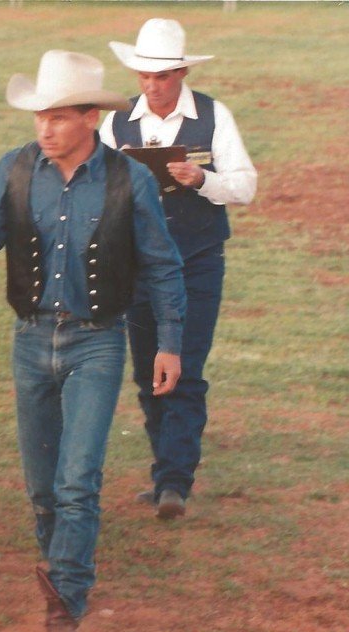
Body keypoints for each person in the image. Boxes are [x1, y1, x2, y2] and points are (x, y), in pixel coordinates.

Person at [0, 50, 186, 632]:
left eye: (59, 116)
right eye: (40, 115)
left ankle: (65, 606)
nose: (45, 127)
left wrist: (170, 341)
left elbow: (162, 264)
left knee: (76, 482)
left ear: (90, 118)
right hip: (31, 339)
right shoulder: (17, 169)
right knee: (44, 488)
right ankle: (61, 567)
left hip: (98, 341)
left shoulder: (129, 180)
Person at [101, 18, 257, 520]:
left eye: (163, 76)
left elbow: (245, 185)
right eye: (145, 76)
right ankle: (166, 471)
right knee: (148, 373)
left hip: (197, 262)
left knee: (184, 367)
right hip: (139, 267)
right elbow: (94, 186)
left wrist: (202, 179)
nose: (153, 86)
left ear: (183, 72)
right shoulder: (117, 122)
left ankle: (174, 481)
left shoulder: (213, 115)